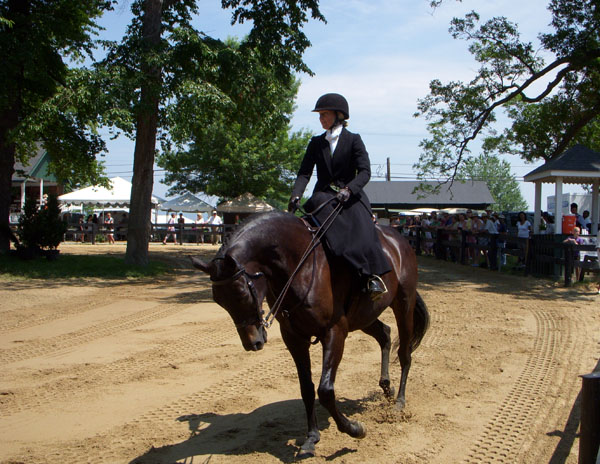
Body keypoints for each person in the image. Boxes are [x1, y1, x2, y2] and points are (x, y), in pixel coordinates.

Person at [287, 93, 391, 300]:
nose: (321, 119)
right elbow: (304, 172)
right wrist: (296, 194)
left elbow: (365, 172)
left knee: (364, 231)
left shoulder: (353, 140)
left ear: (339, 115)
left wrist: (349, 189)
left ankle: (371, 277)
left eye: (324, 114)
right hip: (323, 197)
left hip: (350, 197)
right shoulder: (316, 142)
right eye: (319, 115)